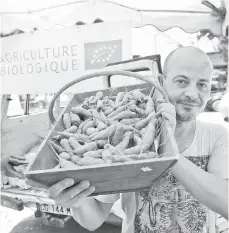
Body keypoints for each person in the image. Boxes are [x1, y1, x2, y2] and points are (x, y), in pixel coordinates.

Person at [27, 46, 228, 233]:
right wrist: (76, 202)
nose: (193, 94)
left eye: (202, 84)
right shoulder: (123, 137)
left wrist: (168, 146)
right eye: (181, 81)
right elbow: (94, 219)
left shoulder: (217, 136)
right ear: (161, 81)